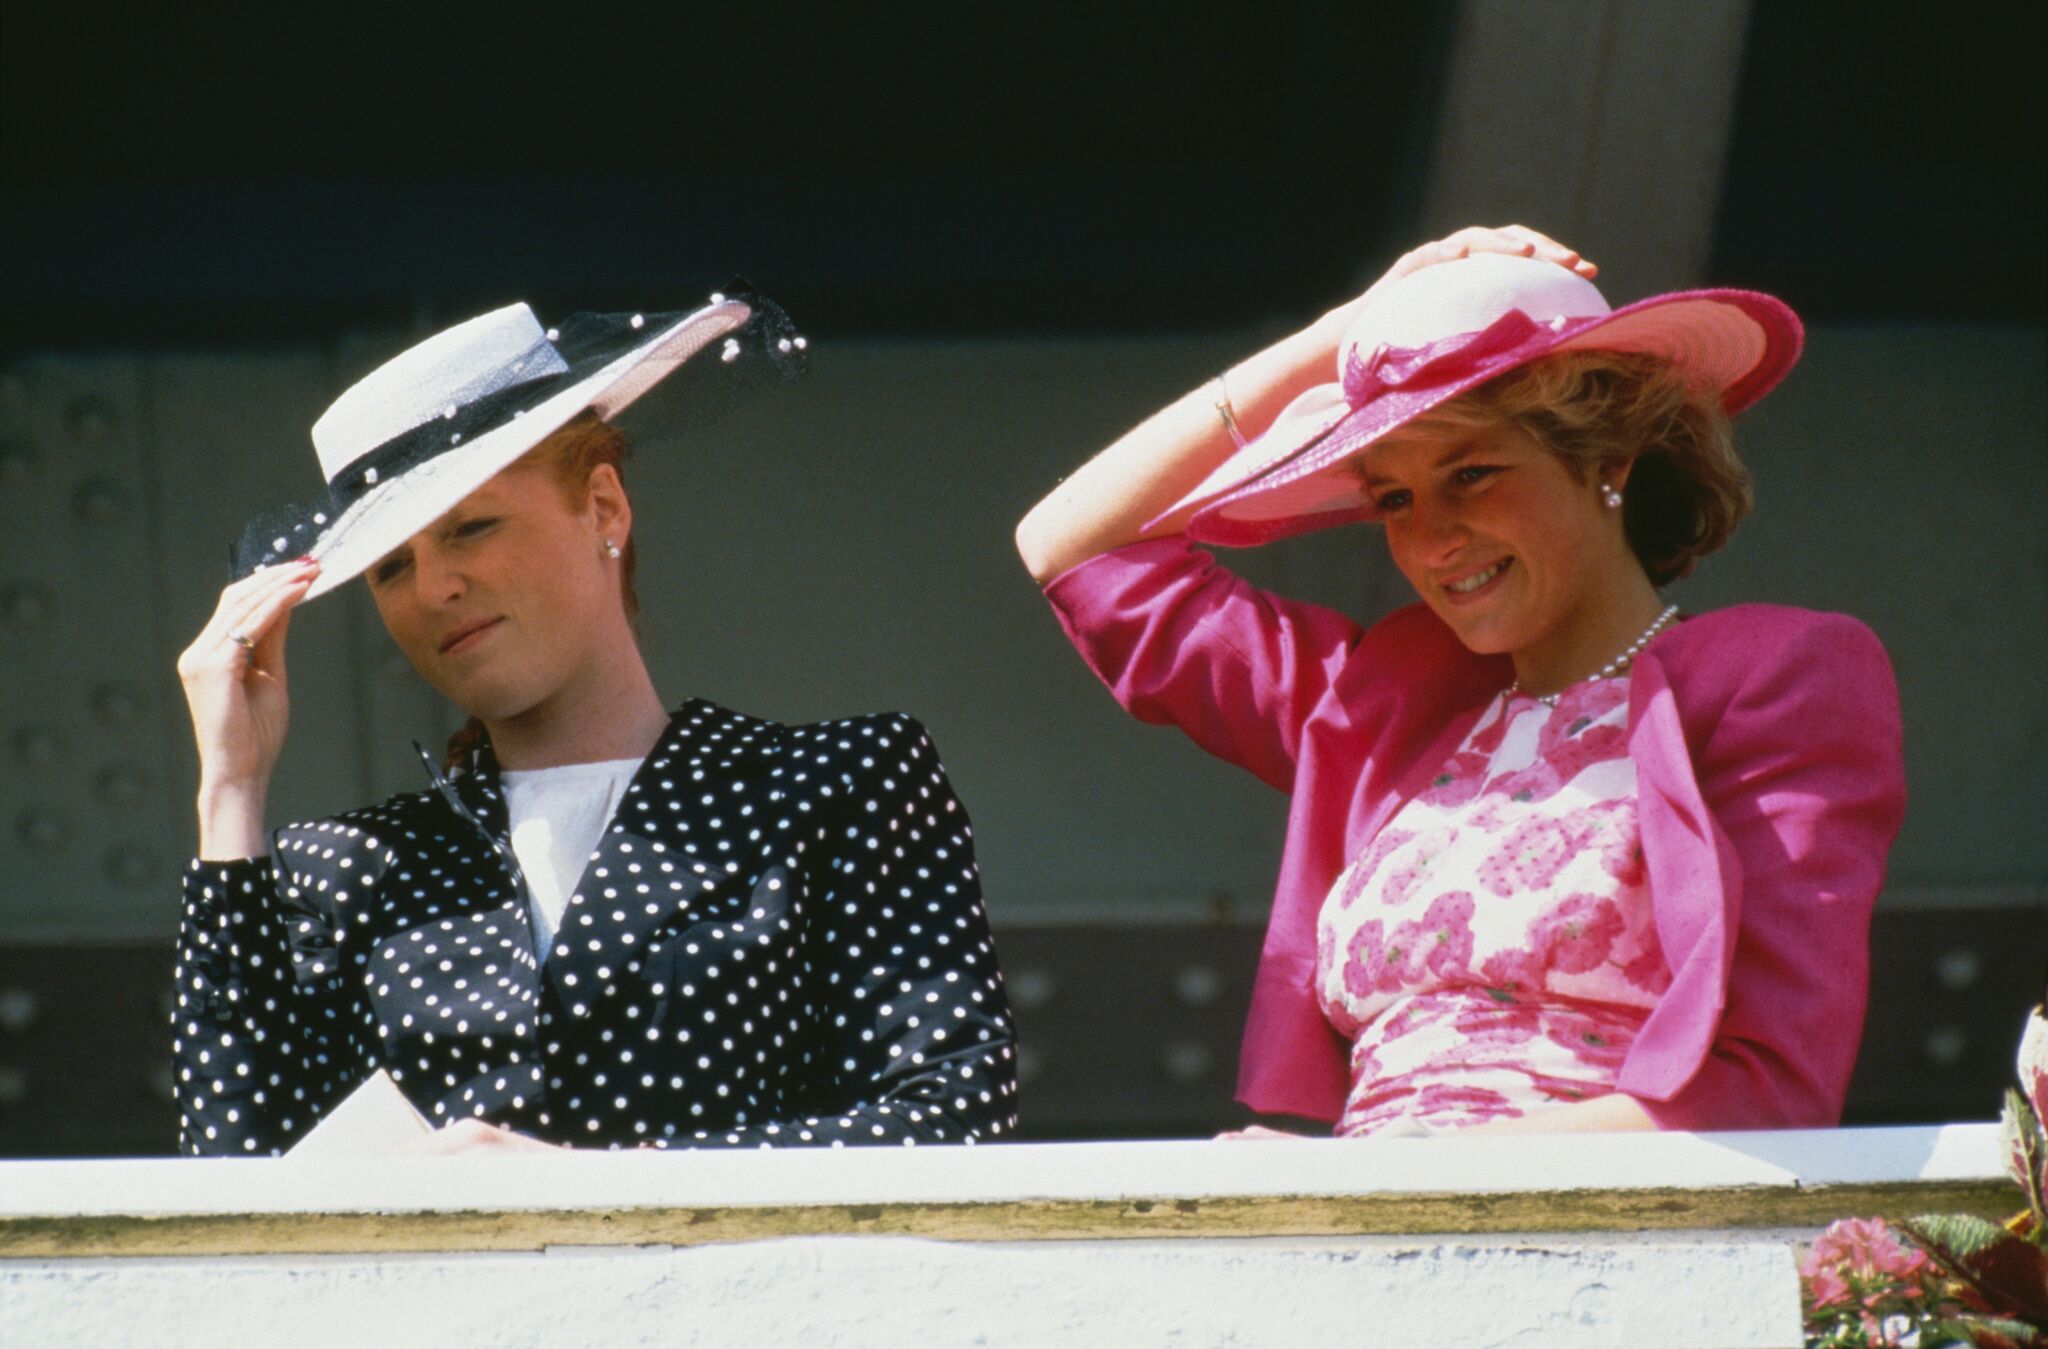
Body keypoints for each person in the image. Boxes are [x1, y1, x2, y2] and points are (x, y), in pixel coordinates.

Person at [1015, 226, 1906, 1137]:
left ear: (1608, 459)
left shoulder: (1782, 679)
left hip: (1615, 1254)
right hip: (1357, 1242)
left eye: (1471, 474)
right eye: (1394, 497)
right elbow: (1076, 549)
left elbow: (1770, 1091)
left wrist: (1373, 1186)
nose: (1433, 540)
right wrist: (1350, 330)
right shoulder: (1379, 702)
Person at [175, 292, 1018, 1154]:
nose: (433, 589)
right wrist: (231, 793)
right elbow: (235, 1189)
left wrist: (592, 1189)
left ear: (604, 507)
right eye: (391, 567)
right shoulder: (348, 871)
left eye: (473, 526)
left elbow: (947, 1117)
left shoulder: (838, 787)